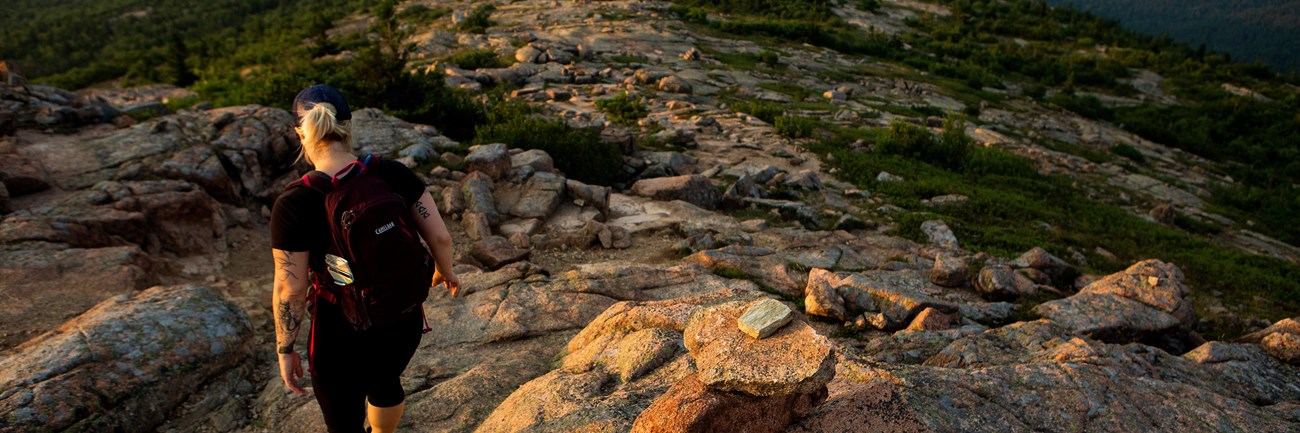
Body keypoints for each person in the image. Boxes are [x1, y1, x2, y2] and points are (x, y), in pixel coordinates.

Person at [270, 84, 460, 433]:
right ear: (349, 125)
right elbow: (441, 237)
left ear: (301, 132)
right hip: (401, 314)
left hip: (339, 326)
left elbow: (291, 288)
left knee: (343, 418)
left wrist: (286, 348)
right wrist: (444, 272)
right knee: (386, 380)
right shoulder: (391, 174)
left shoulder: (294, 203)